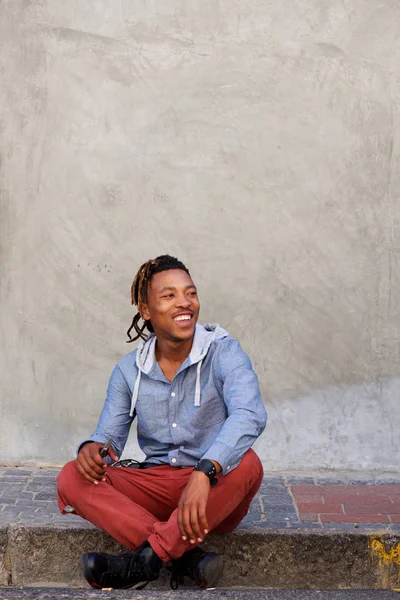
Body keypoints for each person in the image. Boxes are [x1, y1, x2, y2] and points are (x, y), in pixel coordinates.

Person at [57, 255, 267, 590]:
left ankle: (144, 560)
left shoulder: (224, 352)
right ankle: (182, 557)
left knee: (249, 464)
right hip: (156, 484)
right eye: (169, 296)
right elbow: (108, 435)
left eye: (190, 293)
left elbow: (250, 414)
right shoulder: (129, 370)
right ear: (146, 310)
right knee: (72, 476)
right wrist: (93, 450)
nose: (184, 302)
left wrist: (205, 471)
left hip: (212, 491)